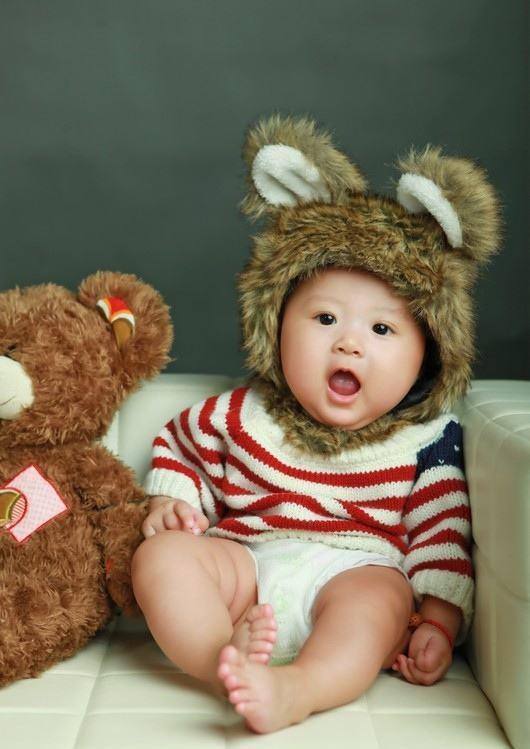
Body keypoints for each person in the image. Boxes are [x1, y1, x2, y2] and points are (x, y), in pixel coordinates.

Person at [131, 115, 500, 734]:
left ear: (426, 356)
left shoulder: (424, 443)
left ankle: (298, 688)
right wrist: (172, 504)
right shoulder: (242, 413)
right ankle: (221, 659)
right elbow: (182, 450)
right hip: (244, 567)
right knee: (161, 558)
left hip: (352, 572)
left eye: (381, 329)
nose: (349, 344)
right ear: (275, 326)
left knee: (381, 601)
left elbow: (441, 532)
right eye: (325, 319)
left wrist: (438, 619)